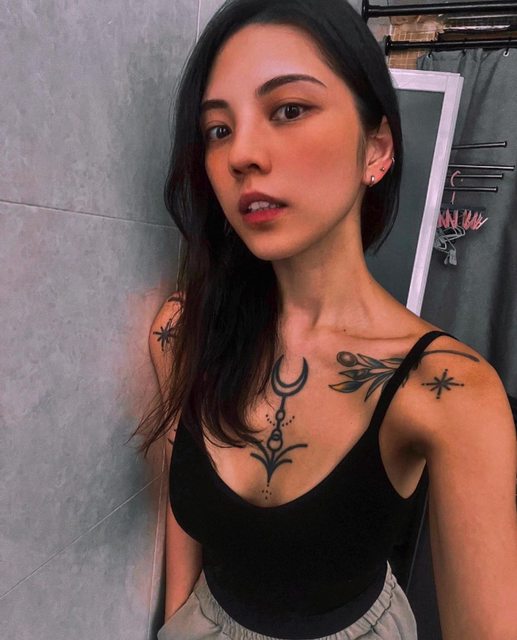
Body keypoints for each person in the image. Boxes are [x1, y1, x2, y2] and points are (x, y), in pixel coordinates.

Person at [131, 1, 517, 638]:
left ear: (376, 148)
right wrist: (176, 619)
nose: (241, 154)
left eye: (289, 109)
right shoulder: (183, 332)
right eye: (218, 129)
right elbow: (182, 509)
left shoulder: (450, 391)